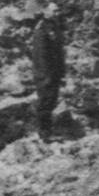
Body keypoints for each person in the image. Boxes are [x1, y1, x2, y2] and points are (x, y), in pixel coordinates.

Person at [30, 7, 66, 142]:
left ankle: (47, 130)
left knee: (51, 100)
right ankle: (44, 132)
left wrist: (61, 72)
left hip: (53, 72)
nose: (57, 13)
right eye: (54, 11)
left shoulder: (53, 27)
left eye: (58, 10)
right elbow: (41, 55)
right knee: (46, 101)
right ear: (46, 12)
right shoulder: (42, 29)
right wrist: (46, 75)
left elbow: (58, 52)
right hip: (45, 73)